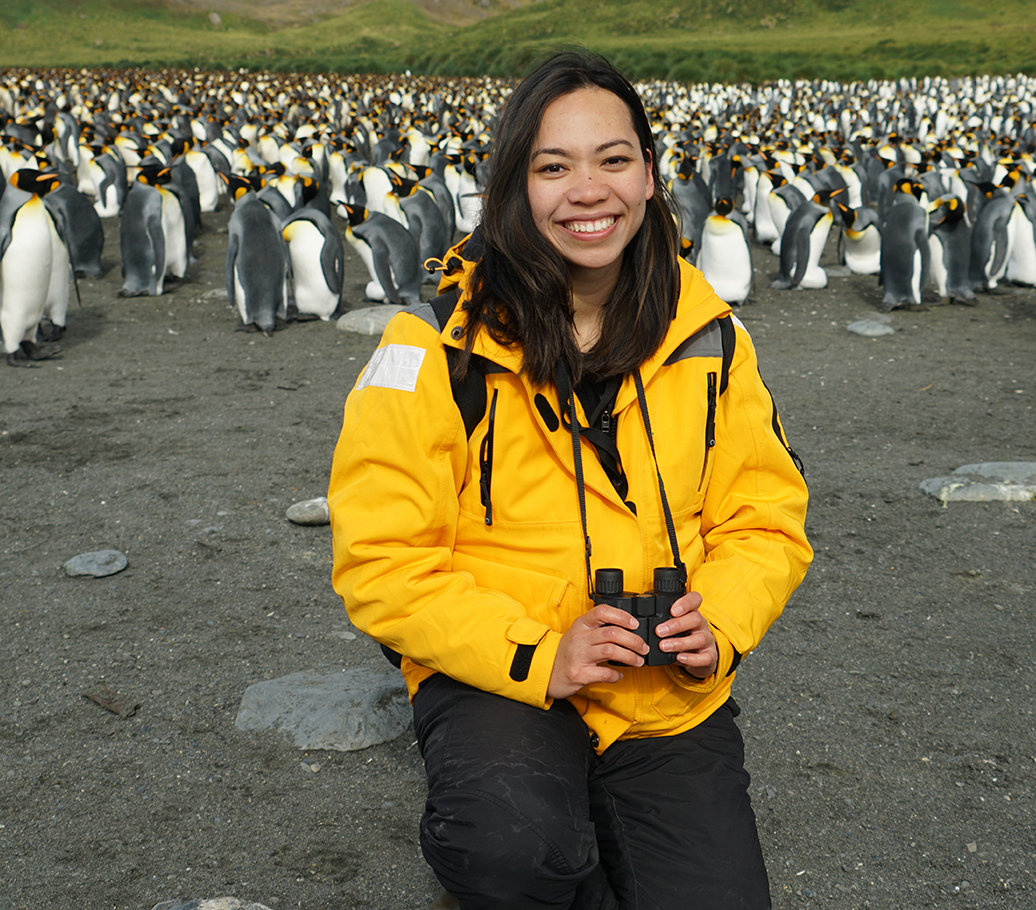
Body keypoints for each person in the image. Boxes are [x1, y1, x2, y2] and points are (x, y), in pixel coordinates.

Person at [329, 49, 811, 910]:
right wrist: (541, 655)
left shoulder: (709, 336)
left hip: (658, 689)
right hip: (500, 672)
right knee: (513, 847)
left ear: (651, 175)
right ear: (513, 187)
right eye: (555, 167)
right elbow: (381, 562)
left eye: (613, 159)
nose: (589, 191)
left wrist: (725, 622)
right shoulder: (432, 347)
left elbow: (766, 514)